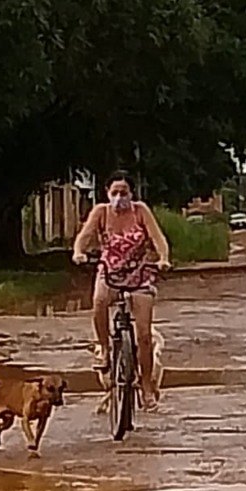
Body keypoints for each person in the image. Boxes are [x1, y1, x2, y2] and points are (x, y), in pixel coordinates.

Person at [72, 171, 170, 408]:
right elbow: (84, 236)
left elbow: (158, 238)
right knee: (99, 302)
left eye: (123, 193)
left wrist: (163, 258)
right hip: (109, 273)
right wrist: (78, 252)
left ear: (131, 193)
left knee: (144, 336)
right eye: (114, 192)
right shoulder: (101, 212)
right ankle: (105, 349)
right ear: (107, 193)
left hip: (139, 275)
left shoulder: (141, 211)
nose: (119, 198)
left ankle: (146, 387)